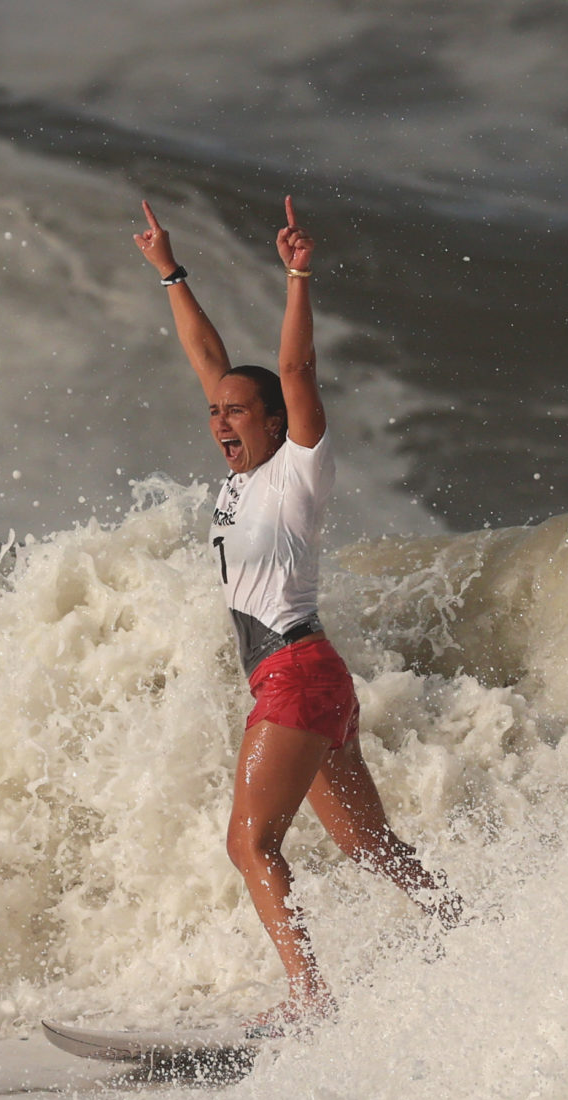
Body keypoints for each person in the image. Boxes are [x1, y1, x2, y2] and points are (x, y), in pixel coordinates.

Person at [134, 196, 458, 1032]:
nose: (220, 422)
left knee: (250, 845)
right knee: (366, 845)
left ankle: (311, 999)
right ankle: (472, 929)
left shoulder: (296, 469)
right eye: (216, 413)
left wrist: (298, 276)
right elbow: (208, 357)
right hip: (310, 677)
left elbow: (298, 370)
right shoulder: (241, 477)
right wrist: (170, 272)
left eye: (237, 412)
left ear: (276, 423)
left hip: (294, 674)